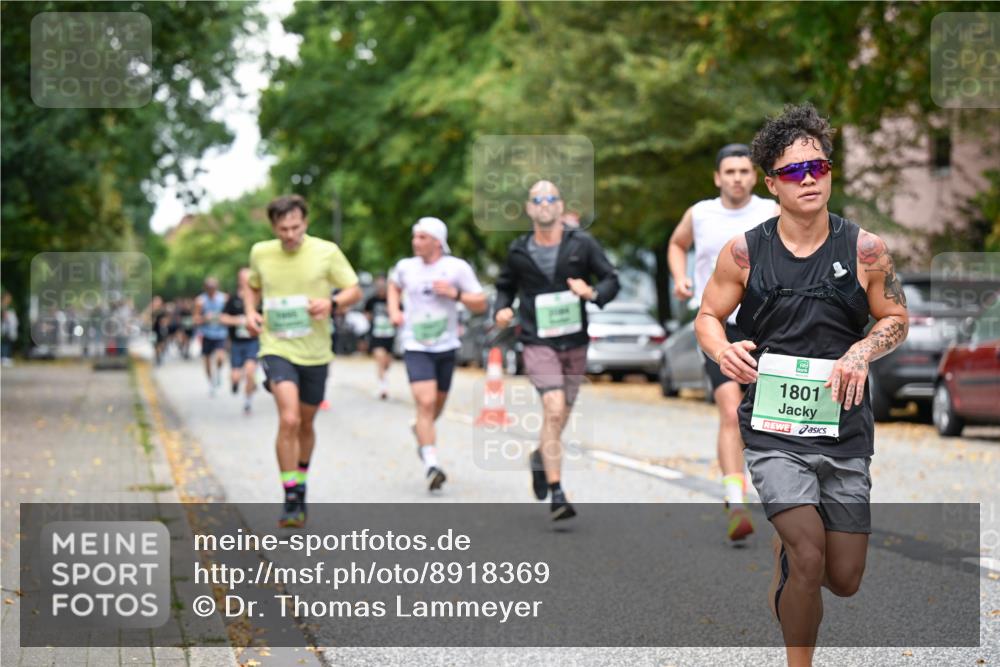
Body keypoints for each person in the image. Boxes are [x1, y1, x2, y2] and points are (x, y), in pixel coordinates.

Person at [694, 103, 908, 666]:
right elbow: (708, 316)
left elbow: (895, 317)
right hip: (773, 430)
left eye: (819, 167)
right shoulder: (745, 252)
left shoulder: (866, 250)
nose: (808, 179)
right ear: (772, 183)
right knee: (809, 557)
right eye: (793, 171)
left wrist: (862, 351)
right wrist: (723, 349)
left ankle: (790, 550)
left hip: (844, 429)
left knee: (844, 578)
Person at [668, 143, 779, 542]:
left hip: (768, 325)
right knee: (731, 412)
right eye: (729, 172)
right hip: (718, 326)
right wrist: (681, 277)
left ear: (755, 177)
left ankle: (786, 494)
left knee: (770, 415)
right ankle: (736, 501)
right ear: (718, 177)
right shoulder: (700, 214)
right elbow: (677, 244)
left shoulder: (771, 211)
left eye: (744, 171)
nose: (737, 178)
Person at [494, 180, 620, 521]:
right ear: (529, 209)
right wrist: (501, 309)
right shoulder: (519, 250)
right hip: (537, 340)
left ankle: (540, 456)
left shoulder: (581, 243)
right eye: (538, 199)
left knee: (561, 412)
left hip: (575, 341)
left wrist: (592, 293)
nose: (545, 204)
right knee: (553, 407)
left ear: (561, 206)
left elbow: (611, 278)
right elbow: (505, 287)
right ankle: (557, 492)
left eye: (551, 198)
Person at [245, 194, 362, 528]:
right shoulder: (261, 252)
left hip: (316, 351)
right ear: (273, 227)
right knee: (290, 418)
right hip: (276, 346)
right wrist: (251, 312)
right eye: (283, 229)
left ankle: (301, 481)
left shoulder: (326, 252)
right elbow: (252, 286)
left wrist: (332, 303)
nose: (290, 235)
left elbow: (354, 289)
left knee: (307, 424)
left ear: (305, 223)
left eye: (296, 227)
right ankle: (291, 496)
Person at [388, 217, 487, 491]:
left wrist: (456, 294)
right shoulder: (406, 267)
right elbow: (394, 286)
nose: (415, 242)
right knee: (426, 402)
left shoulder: (456, 268)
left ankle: (421, 431)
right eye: (414, 237)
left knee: (436, 408)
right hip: (416, 344)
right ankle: (432, 464)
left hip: (446, 345)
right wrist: (395, 311)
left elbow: (480, 303)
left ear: (437, 241)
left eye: (422, 237)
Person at [220, 268, 260, 414]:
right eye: (243, 278)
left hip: (252, 342)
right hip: (236, 343)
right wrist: (238, 320)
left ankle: (248, 402)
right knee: (236, 376)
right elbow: (222, 318)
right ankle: (236, 382)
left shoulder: (258, 297)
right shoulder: (233, 299)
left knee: (250, 372)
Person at [194, 277, 229, 396]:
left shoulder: (223, 298)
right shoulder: (200, 301)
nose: (211, 289)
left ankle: (218, 372)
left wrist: (223, 318)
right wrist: (205, 318)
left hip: (220, 333)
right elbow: (196, 319)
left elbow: (229, 314)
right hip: (207, 333)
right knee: (207, 361)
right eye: (209, 287)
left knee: (220, 358)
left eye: (213, 287)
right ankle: (211, 383)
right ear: (205, 288)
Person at [364, 274, 396, 400]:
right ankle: (383, 388)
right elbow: (366, 314)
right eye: (379, 285)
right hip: (376, 336)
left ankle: (383, 380)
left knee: (387, 363)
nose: (381, 287)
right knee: (380, 360)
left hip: (390, 335)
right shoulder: (371, 300)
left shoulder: (392, 300)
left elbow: (400, 314)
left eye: (383, 285)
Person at [1, 291, 18, 367]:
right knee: (4, 342)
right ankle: (3, 357)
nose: (9, 299)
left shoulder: (9, 307)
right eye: (8, 298)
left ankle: (7, 357)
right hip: (4, 326)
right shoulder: (2, 306)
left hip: (9, 327)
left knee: (8, 342)